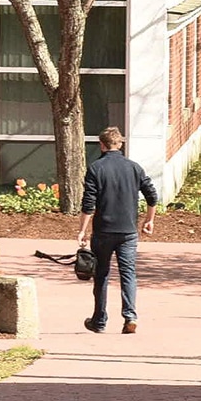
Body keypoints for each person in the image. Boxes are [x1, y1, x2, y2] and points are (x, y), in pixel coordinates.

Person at [76, 127, 158, 335]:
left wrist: (82, 231)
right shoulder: (134, 168)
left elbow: (89, 203)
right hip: (128, 231)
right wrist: (149, 220)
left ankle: (99, 320)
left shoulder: (96, 168)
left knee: (101, 275)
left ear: (102, 145)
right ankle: (130, 316)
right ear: (120, 144)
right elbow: (152, 195)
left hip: (103, 231)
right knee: (128, 273)